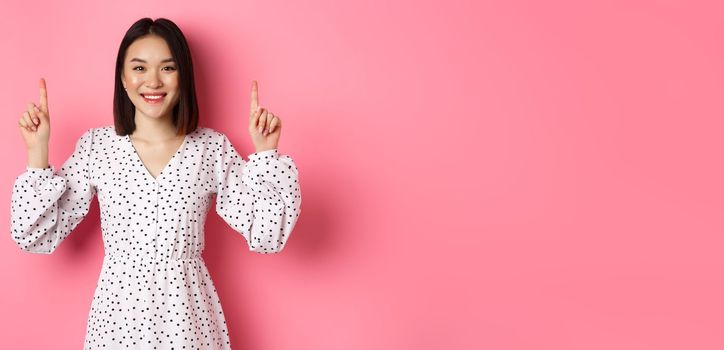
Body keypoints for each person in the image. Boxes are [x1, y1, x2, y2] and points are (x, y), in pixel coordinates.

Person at [11, 17, 302, 349]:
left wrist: (265, 155)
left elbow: (268, 235)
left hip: (188, 321)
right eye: (139, 68)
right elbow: (34, 235)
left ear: (183, 77)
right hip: (116, 323)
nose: (152, 81)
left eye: (167, 68)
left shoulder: (210, 149)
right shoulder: (97, 148)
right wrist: (37, 152)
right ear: (122, 77)